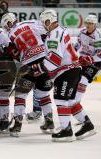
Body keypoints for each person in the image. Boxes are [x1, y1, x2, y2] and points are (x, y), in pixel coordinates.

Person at [39, 9, 96, 142]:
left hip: (66, 71)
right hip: (72, 69)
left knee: (60, 99)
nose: (42, 25)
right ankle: (87, 125)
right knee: (70, 101)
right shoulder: (58, 30)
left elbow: (54, 60)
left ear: (49, 21)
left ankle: (66, 130)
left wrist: (39, 68)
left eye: (44, 22)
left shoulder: (54, 35)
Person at [0, 13, 54, 137]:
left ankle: (17, 125)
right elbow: (47, 33)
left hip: (28, 65)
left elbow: (13, 53)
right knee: (43, 94)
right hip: (44, 62)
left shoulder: (7, 35)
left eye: (6, 26)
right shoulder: (30, 23)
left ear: (8, 23)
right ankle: (49, 122)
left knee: (20, 95)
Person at [70, 14, 100, 139]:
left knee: (80, 87)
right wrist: (72, 50)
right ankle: (80, 114)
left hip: (94, 65)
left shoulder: (98, 35)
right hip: (82, 62)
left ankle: (80, 114)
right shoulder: (82, 32)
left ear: (95, 24)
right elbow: (78, 46)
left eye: (90, 23)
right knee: (75, 85)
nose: (88, 25)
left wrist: (89, 59)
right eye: (87, 22)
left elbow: (100, 54)